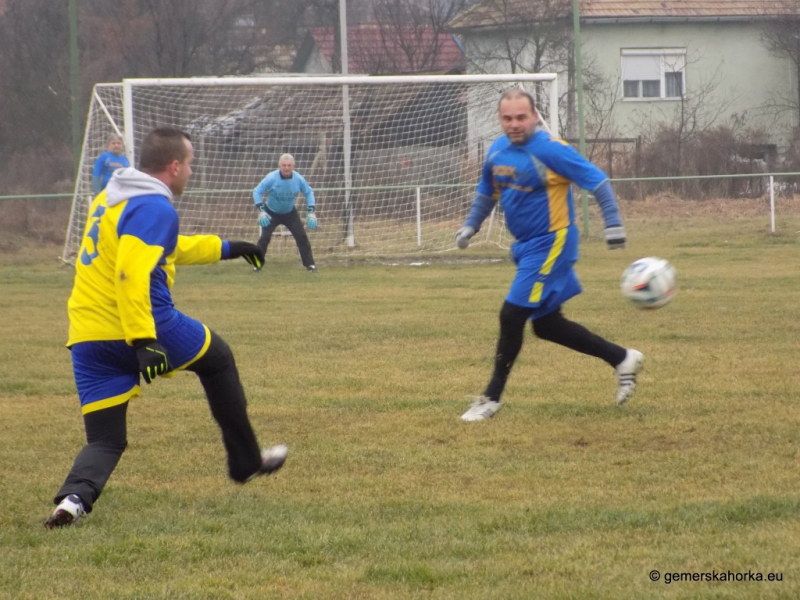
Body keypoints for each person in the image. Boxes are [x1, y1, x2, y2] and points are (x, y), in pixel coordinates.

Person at [45, 127, 288, 529]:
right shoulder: (155, 207)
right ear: (175, 166)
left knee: (106, 439)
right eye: (190, 163)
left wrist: (228, 248)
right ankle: (245, 462)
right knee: (218, 360)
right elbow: (130, 273)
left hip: (88, 336)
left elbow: (166, 247)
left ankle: (72, 501)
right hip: (143, 324)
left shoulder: (113, 197)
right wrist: (144, 340)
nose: (191, 170)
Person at [454, 89, 643, 422]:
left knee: (511, 315)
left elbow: (596, 180)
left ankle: (491, 397)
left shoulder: (550, 150)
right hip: (526, 247)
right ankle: (622, 358)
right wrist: (471, 225)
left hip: (552, 242)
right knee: (548, 326)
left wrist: (612, 223)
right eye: (507, 118)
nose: (514, 124)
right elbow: (488, 190)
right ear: (500, 119)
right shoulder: (498, 150)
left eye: (521, 117)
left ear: (535, 115)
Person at [252, 154, 318, 273]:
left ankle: (310, 266)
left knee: (302, 237)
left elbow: (309, 192)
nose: (286, 168)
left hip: (290, 213)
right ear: (279, 166)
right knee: (264, 238)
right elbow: (257, 191)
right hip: (270, 212)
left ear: (293, 166)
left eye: (289, 165)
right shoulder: (271, 177)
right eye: (284, 165)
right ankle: (257, 265)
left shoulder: (298, 179)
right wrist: (261, 211)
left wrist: (311, 212)